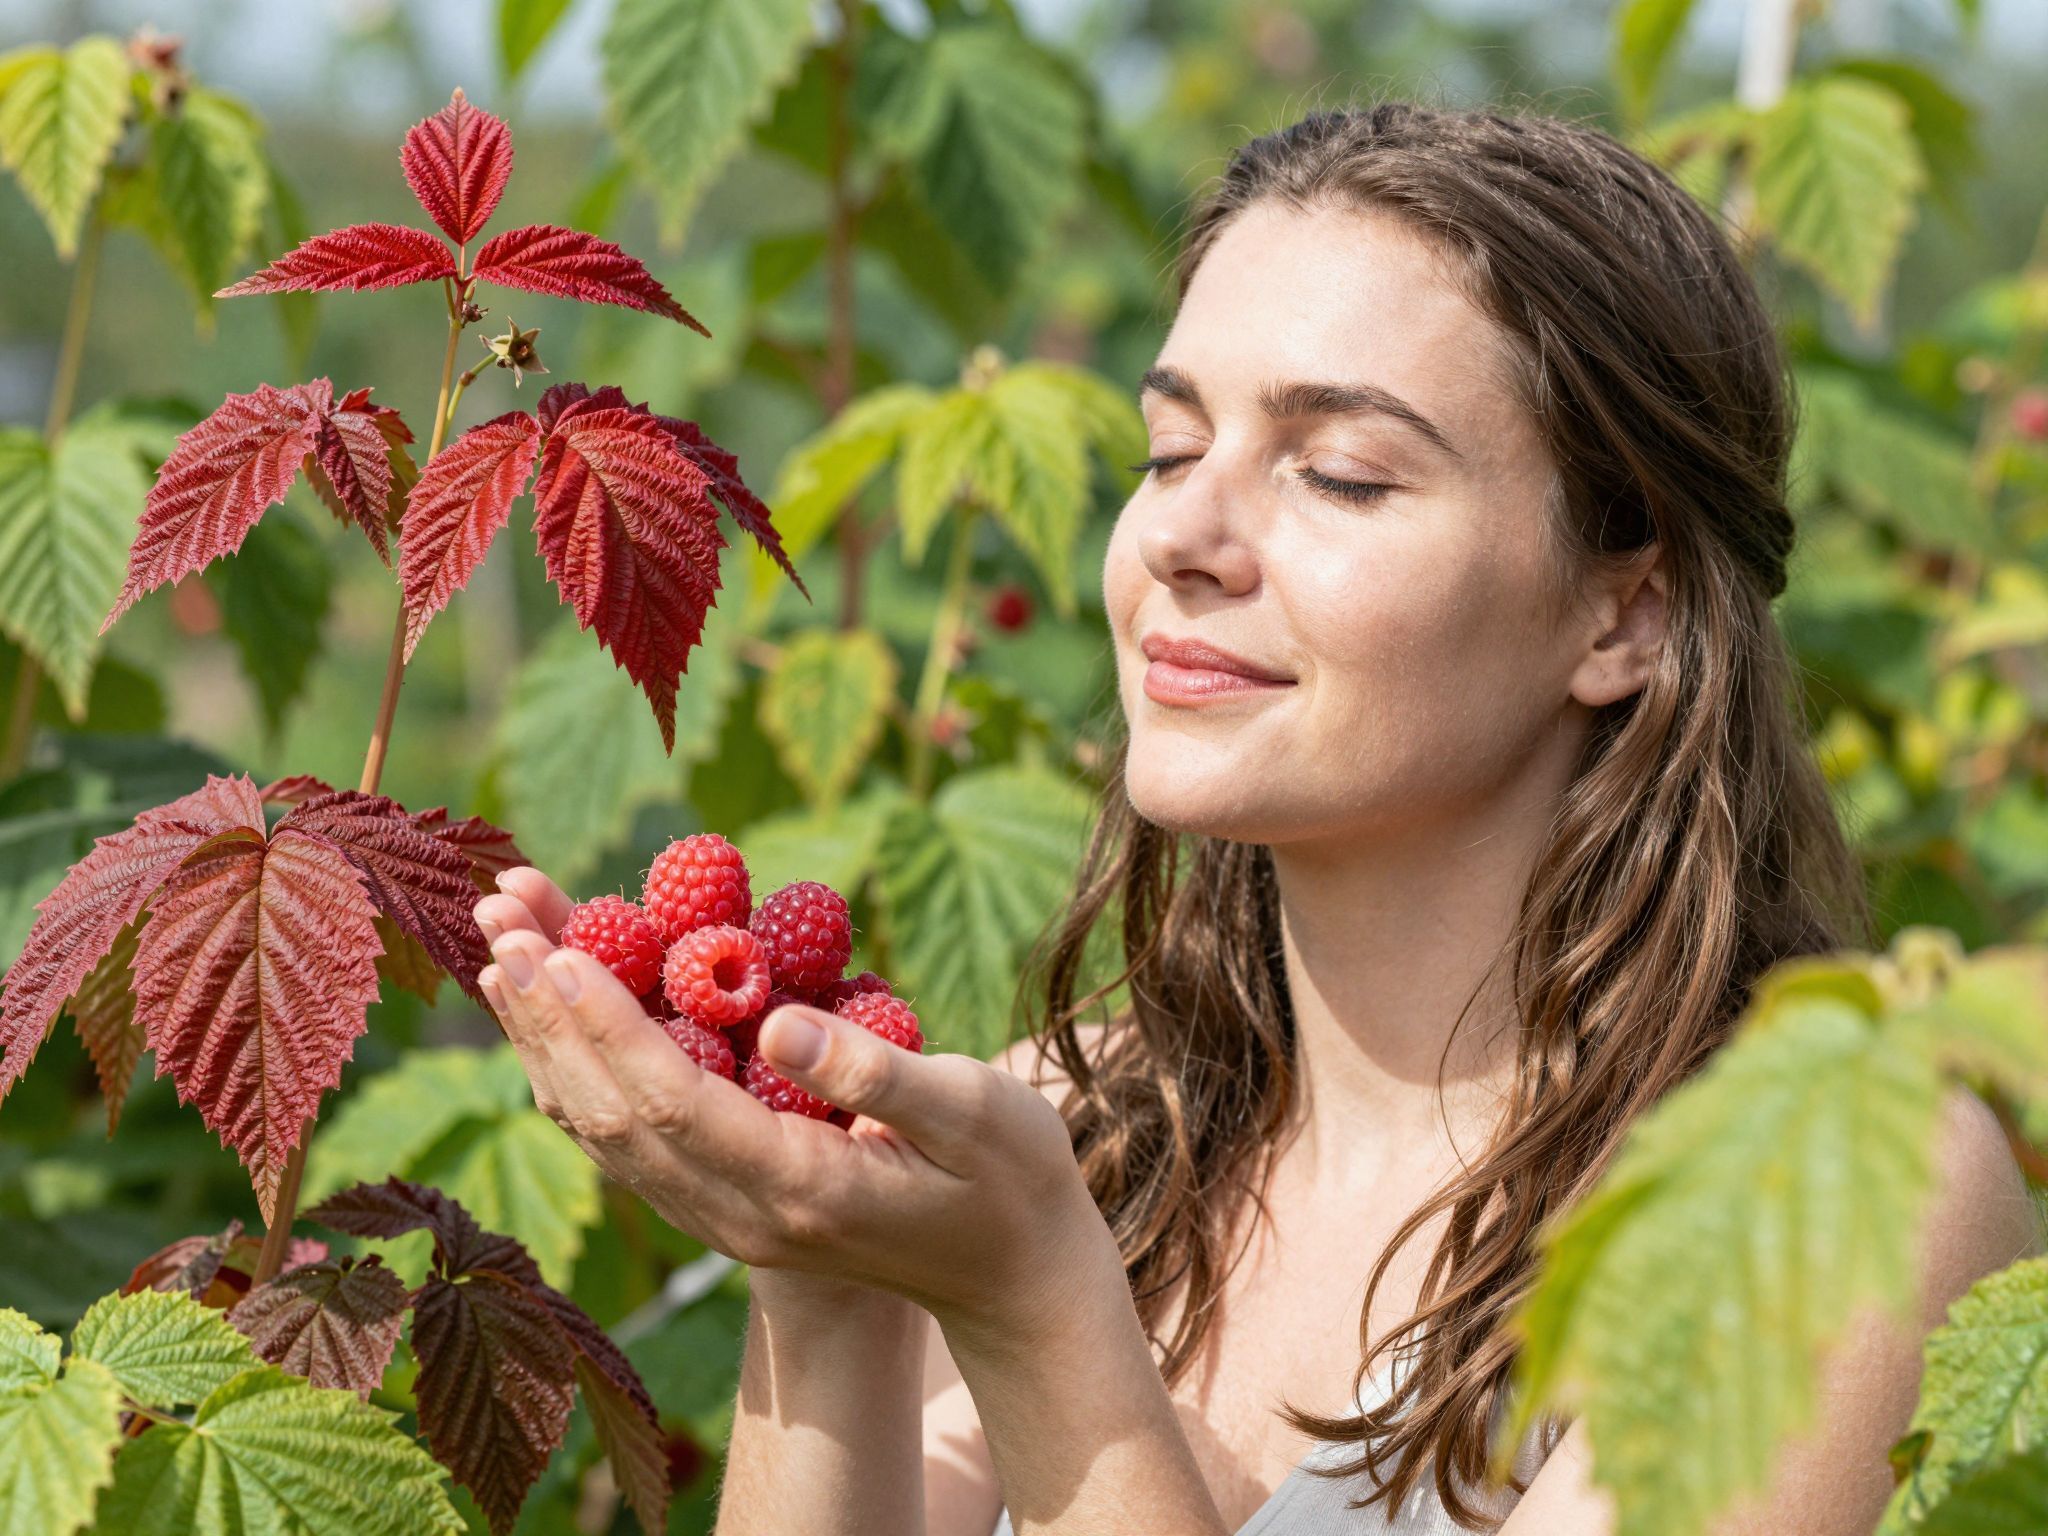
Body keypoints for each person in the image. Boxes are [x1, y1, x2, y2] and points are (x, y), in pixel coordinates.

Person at [472, 102, 2038, 1535]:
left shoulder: (1824, 1198)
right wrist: (819, 1286)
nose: (1183, 536)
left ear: (1624, 611)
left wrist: (1034, 1316)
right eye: (1171, 448)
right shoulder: (1056, 1138)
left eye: (1343, 475)